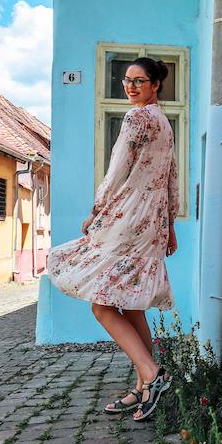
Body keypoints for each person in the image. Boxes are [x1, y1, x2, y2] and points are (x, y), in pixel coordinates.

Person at [47, 57, 178, 421]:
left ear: (155, 86)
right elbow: (171, 178)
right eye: (127, 80)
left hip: (127, 218)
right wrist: (169, 223)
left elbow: (118, 168)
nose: (131, 86)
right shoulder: (164, 123)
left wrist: (98, 208)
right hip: (150, 223)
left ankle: (153, 375)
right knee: (131, 303)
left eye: (139, 81)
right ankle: (142, 389)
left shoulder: (137, 118)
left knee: (102, 305)